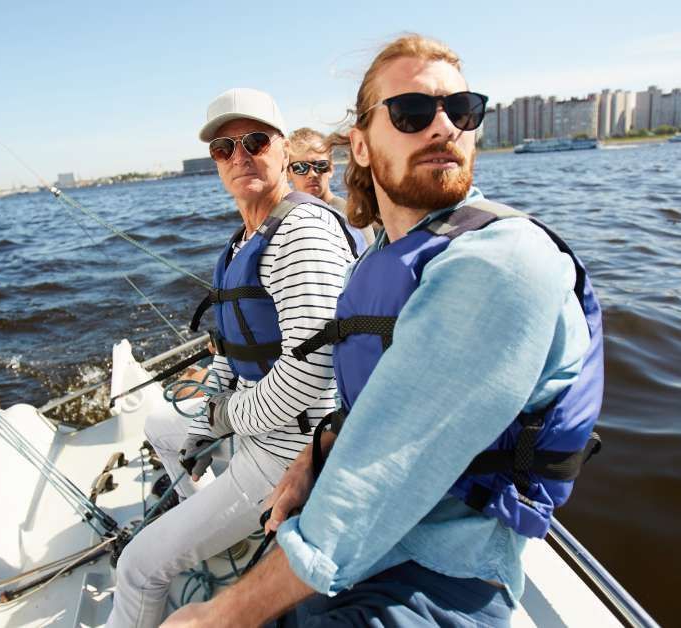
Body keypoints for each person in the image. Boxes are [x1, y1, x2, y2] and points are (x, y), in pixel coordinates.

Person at [163, 34, 602, 628]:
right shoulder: (380, 262)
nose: (442, 127)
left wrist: (224, 614)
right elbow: (373, 401)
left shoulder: (500, 263)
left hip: (443, 580)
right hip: (365, 555)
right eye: (412, 112)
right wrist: (314, 456)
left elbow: (376, 483)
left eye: (462, 110)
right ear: (363, 147)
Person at [108, 87, 356, 628]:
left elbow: (310, 375)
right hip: (252, 428)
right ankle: (199, 508)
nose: (239, 155)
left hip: (287, 454)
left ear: (283, 150)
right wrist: (216, 386)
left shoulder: (302, 233)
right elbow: (241, 345)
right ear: (216, 161)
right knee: (160, 426)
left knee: (137, 568)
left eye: (254, 140)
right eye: (224, 147)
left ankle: (217, 519)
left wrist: (225, 415)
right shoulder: (247, 238)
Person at [287, 128, 374, 249]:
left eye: (321, 166)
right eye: (301, 167)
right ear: (288, 173)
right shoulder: (285, 220)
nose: (312, 174)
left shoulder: (352, 217)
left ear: (331, 169)